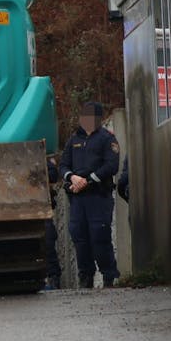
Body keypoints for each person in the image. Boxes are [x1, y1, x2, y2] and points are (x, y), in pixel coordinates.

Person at [59, 101, 120, 288]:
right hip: (78, 199)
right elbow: (63, 165)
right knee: (80, 236)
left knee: (99, 235)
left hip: (98, 196)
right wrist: (72, 177)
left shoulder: (106, 139)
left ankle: (109, 275)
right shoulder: (73, 140)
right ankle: (86, 276)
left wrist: (88, 180)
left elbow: (111, 166)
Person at [44, 153, 63, 291]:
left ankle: (53, 278)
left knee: (48, 240)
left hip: (40, 209)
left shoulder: (36, 154)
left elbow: (52, 174)